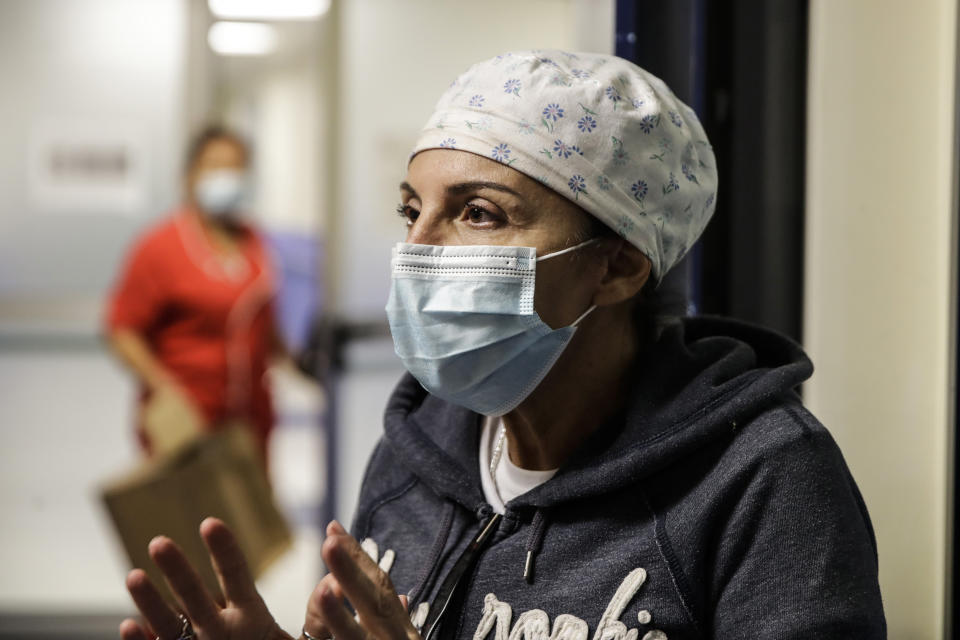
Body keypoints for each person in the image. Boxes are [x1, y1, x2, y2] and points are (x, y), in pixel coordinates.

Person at [119, 51, 886, 640]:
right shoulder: (416, 456)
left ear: (617, 265)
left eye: (480, 213)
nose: (416, 249)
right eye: (411, 209)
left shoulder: (763, 482)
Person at [106, 125, 283, 463]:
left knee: (247, 515)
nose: (227, 177)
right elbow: (122, 329)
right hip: (187, 421)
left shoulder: (256, 242)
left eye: (236, 167)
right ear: (189, 177)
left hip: (250, 421)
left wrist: (294, 360)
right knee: (187, 513)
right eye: (215, 166)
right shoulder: (160, 247)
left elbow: (263, 320)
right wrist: (162, 387)